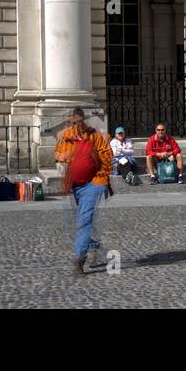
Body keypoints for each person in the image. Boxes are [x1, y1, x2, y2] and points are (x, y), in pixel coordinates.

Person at [54, 107, 113, 275]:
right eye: (73, 122)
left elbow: (107, 156)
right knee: (82, 220)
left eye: (79, 121)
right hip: (75, 186)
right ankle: (93, 245)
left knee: (84, 221)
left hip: (93, 184)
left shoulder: (94, 135)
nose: (77, 125)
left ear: (83, 120)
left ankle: (79, 259)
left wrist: (101, 179)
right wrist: (63, 156)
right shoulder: (67, 136)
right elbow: (58, 153)